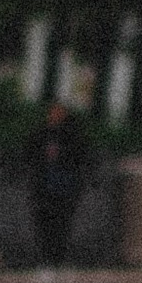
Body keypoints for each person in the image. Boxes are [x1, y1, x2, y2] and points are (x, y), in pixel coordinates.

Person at [28, 94, 91, 264]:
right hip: (44, 183)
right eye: (52, 111)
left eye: (57, 112)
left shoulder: (72, 134)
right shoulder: (41, 132)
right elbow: (30, 154)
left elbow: (81, 157)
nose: (53, 115)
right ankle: (46, 255)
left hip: (65, 183)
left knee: (62, 221)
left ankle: (58, 256)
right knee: (44, 220)